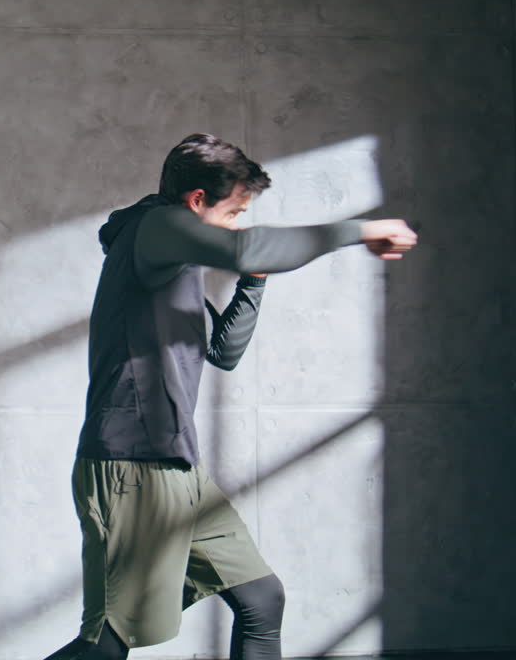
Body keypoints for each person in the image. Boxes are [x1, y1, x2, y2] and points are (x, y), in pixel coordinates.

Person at [44, 133, 417, 660]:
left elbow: (223, 352)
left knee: (261, 599)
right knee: (108, 642)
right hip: (131, 468)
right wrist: (362, 229)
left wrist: (254, 281)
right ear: (196, 200)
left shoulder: (177, 257)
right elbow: (247, 247)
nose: (237, 223)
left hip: (178, 467)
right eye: (234, 211)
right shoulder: (158, 227)